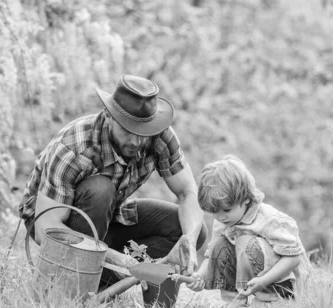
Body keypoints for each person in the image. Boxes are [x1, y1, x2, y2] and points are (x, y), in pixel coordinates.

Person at [18, 74, 207, 290]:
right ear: (109, 115)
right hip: (57, 221)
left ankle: (109, 277)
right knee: (100, 189)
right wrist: (119, 258)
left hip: (108, 217)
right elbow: (46, 230)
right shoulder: (74, 147)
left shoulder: (159, 136)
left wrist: (189, 243)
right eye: (128, 130)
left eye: (143, 133)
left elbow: (188, 192)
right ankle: (79, 277)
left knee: (193, 230)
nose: (137, 141)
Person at [187, 155, 311, 308]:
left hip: (284, 282)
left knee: (245, 242)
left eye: (226, 210)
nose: (220, 217)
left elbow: (293, 259)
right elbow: (211, 253)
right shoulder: (224, 219)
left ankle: (273, 299)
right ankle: (235, 301)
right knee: (220, 244)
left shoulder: (268, 219)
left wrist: (263, 281)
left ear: (245, 198)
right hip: (259, 274)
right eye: (214, 212)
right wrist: (200, 277)